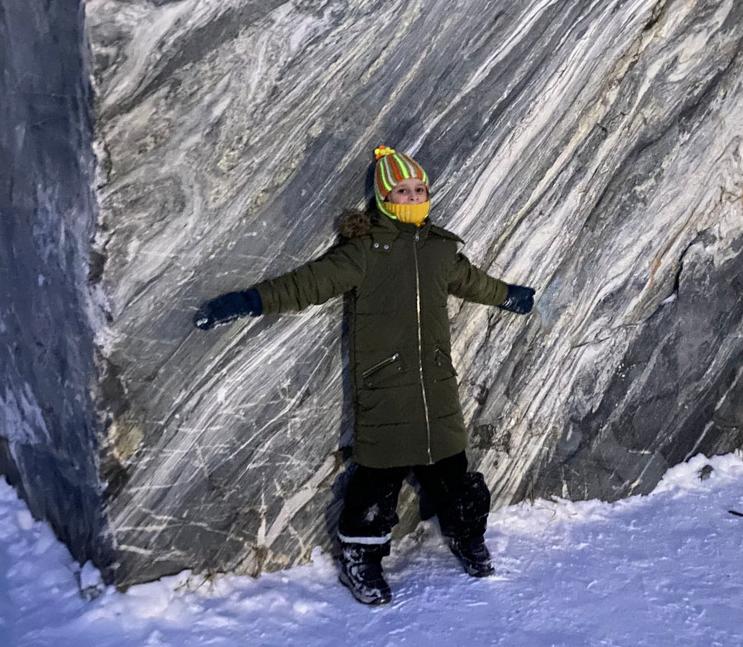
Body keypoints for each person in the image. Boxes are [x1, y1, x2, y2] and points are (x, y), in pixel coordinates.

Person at [194, 145, 536, 605]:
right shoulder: (364, 252)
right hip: (385, 388)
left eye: (419, 189)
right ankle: (361, 559)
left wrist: (509, 295)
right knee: (375, 484)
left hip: (436, 387)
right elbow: (306, 284)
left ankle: (468, 536)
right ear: (383, 198)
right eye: (402, 189)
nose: (413, 196)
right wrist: (245, 302)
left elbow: (473, 283)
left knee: (454, 474)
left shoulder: (440, 250)